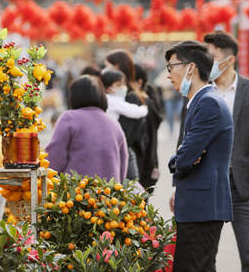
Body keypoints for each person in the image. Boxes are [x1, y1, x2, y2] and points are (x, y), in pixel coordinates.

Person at [204, 31, 249, 272]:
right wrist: (176, 186)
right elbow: (185, 137)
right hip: (208, 186)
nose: (207, 62)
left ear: (229, 59)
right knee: (204, 257)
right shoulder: (202, 92)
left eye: (211, 57)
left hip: (244, 188)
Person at [165, 41, 233, 272]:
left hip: (203, 208)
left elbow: (183, 159)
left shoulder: (208, 104)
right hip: (197, 206)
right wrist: (183, 157)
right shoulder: (199, 101)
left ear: (190, 68)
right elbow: (186, 156)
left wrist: (180, 158)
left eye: (171, 67)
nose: (168, 75)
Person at [46, 75, 128, 181]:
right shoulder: (114, 124)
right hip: (109, 193)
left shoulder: (69, 118)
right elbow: (123, 162)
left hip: (77, 192)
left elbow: (55, 159)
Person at [105, 50, 145, 181]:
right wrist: (144, 109)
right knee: (130, 183)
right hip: (121, 147)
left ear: (116, 66)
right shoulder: (115, 100)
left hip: (118, 145)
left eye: (107, 65)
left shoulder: (120, 98)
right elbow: (134, 111)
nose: (105, 69)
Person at [133, 64, 164, 191]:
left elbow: (149, 141)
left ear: (139, 82)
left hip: (142, 171)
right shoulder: (144, 103)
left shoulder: (144, 106)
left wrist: (150, 169)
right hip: (146, 169)